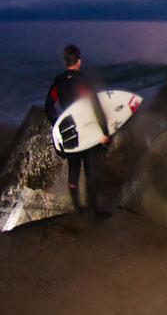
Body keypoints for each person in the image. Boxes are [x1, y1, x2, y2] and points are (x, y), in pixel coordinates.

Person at [44, 44, 111, 219]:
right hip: (87, 129)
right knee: (90, 171)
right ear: (79, 61)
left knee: (73, 170)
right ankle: (93, 211)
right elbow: (96, 107)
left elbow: (48, 107)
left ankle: (78, 208)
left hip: (70, 131)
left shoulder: (57, 82)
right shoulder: (84, 80)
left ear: (64, 61)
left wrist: (56, 125)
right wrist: (104, 132)